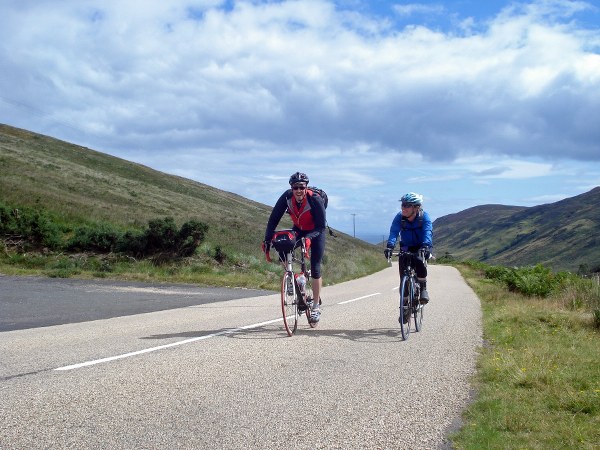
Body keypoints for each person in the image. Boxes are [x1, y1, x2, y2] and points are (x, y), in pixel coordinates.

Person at [263, 172, 327, 323]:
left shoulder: (315, 199)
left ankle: (316, 306)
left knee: (316, 266)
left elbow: (321, 227)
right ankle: (294, 279)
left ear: (306, 187)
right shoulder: (286, 197)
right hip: (298, 229)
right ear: (291, 188)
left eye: (301, 187)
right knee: (282, 245)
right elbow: (273, 220)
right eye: (295, 187)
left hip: (316, 231)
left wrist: (309, 238)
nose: (298, 190)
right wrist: (266, 241)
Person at [384, 192, 433, 305]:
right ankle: (405, 305)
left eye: (407, 205)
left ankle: (423, 289)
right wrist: (390, 246)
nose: (403, 208)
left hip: (421, 245)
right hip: (406, 246)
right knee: (403, 275)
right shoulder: (399, 217)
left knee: (419, 261)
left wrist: (426, 246)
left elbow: (427, 232)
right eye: (403, 205)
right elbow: (394, 232)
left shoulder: (424, 217)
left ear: (416, 207)